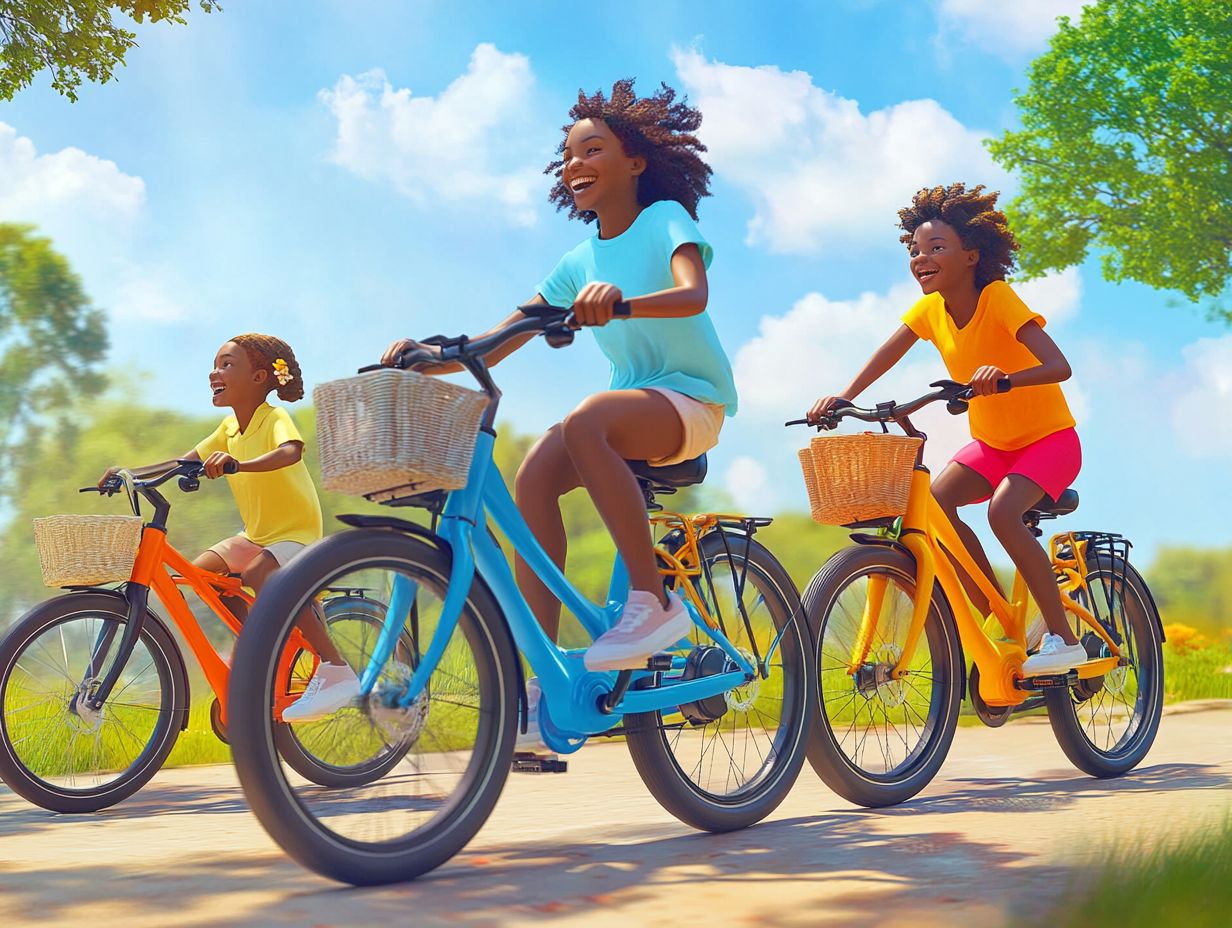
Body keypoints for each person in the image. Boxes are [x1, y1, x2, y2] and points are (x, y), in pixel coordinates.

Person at [380, 80, 737, 745]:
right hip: (632, 407)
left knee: (586, 419)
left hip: (690, 400)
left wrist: (623, 300)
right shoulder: (577, 261)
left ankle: (653, 601)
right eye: (567, 157)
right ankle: (540, 674)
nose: (575, 165)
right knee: (532, 478)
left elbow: (694, 294)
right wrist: (431, 355)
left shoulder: (663, 220)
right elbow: (509, 331)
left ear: (635, 161)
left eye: (592, 149)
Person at [808, 182, 1086, 676]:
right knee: (934, 506)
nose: (921, 258)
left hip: (1050, 442)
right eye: (916, 250)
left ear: (971, 256)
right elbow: (887, 353)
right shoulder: (930, 310)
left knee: (1003, 514)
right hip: (993, 446)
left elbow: (1059, 366)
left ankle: (1064, 639)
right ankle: (1000, 617)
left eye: (937, 248)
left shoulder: (997, 297)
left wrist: (1002, 381)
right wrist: (844, 397)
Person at [99, 334, 355, 720]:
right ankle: (256, 645)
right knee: (200, 575)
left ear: (259, 377)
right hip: (257, 534)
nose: (214, 372)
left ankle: (335, 668)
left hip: (295, 531)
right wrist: (128, 473)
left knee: (257, 573)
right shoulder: (228, 429)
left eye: (226, 364)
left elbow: (292, 451)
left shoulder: (273, 418)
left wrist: (239, 465)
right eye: (215, 364)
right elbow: (182, 463)